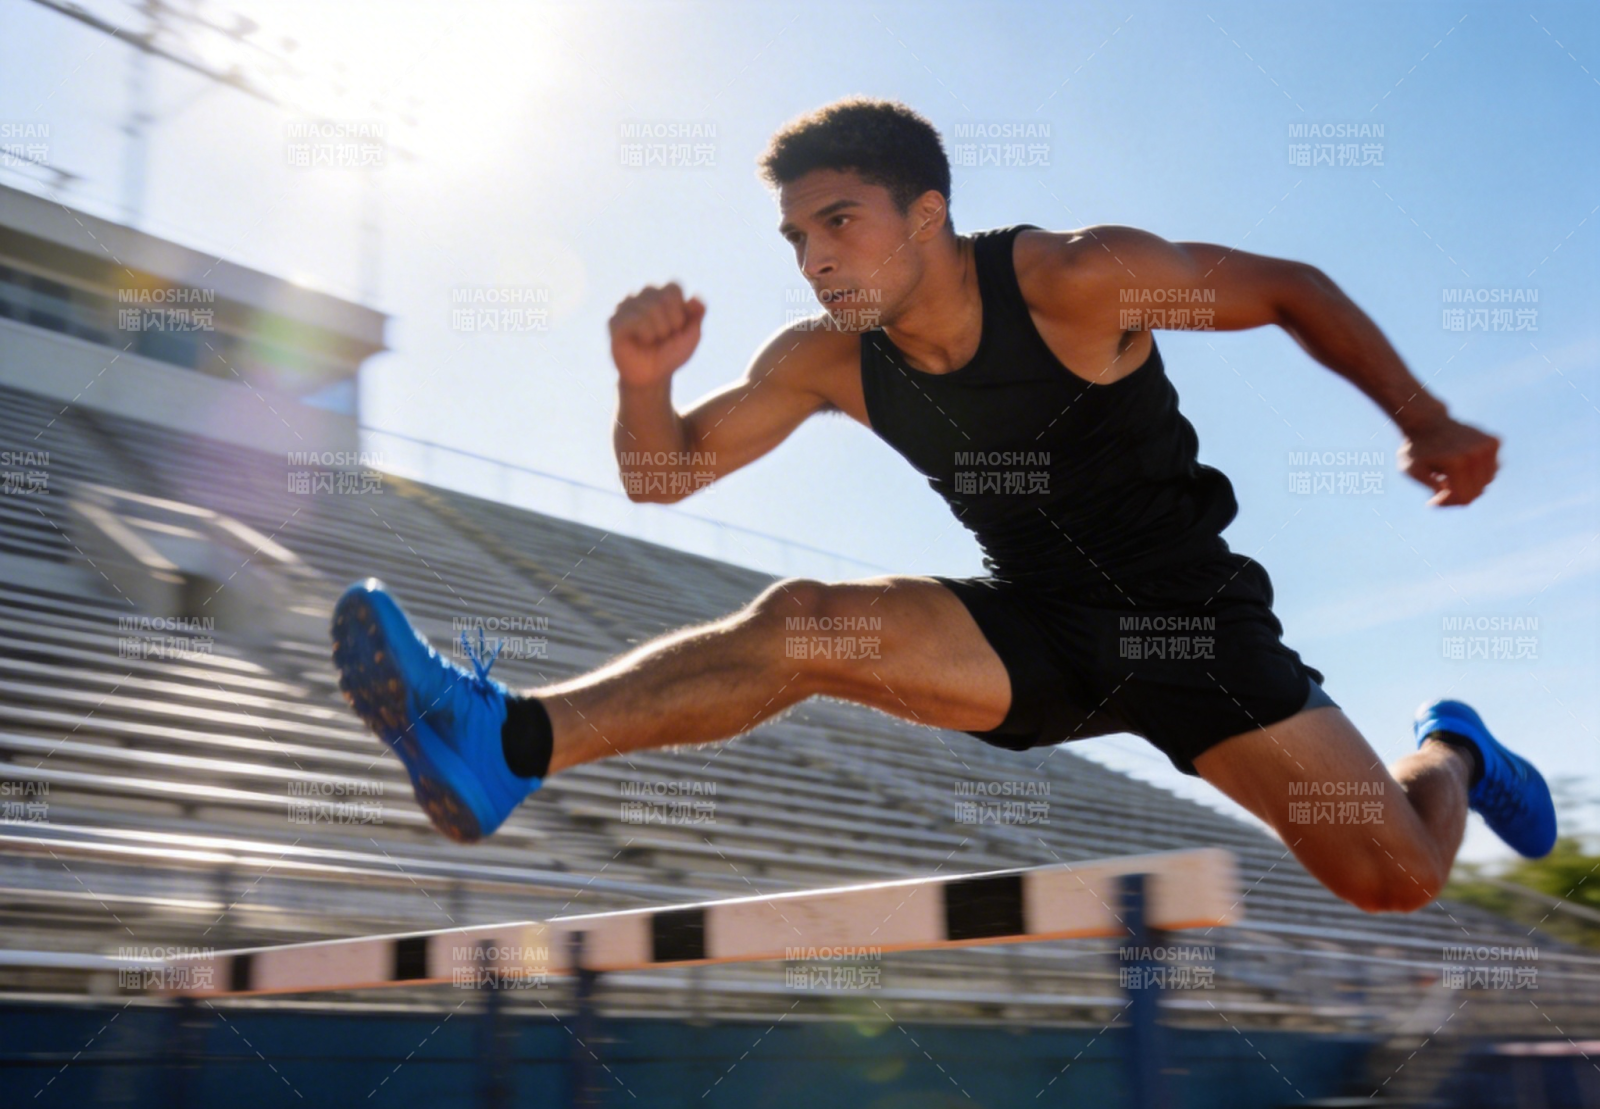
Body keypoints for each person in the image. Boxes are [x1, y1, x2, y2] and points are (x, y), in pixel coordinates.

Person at [331, 97, 1555, 913]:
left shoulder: (1080, 278)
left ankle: (1450, 743)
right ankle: (509, 740)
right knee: (805, 619)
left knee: (1394, 878)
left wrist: (1422, 417)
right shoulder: (824, 357)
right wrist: (641, 384)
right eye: (796, 234)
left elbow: (1288, 287)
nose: (812, 256)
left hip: (1196, 632)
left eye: (838, 223)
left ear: (927, 215)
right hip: (1034, 630)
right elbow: (664, 474)